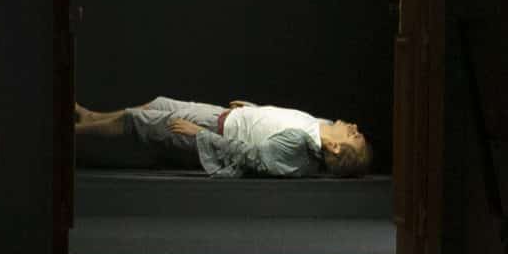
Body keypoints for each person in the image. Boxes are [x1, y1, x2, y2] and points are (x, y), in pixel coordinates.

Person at [72, 97, 372, 178]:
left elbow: (252, 157)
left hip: (213, 130)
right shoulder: (320, 126)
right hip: (222, 116)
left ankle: (73, 131)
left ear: (335, 147)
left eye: (355, 136)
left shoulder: (299, 148)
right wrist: (253, 109)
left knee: (137, 122)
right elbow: (277, 121)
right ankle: (92, 117)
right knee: (157, 105)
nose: (355, 127)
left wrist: (200, 134)